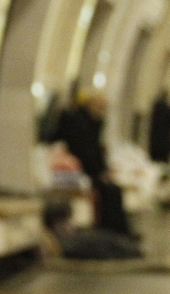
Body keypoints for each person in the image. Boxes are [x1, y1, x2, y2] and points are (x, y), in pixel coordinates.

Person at [49, 88, 136, 238]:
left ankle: (117, 229)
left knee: (113, 189)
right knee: (110, 190)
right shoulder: (82, 125)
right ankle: (113, 229)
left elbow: (94, 151)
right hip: (85, 170)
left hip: (90, 169)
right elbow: (87, 153)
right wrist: (101, 172)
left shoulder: (88, 123)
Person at [148, 91, 170, 164]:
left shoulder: (155, 109)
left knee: (153, 162)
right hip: (165, 140)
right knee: (163, 163)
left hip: (154, 140)